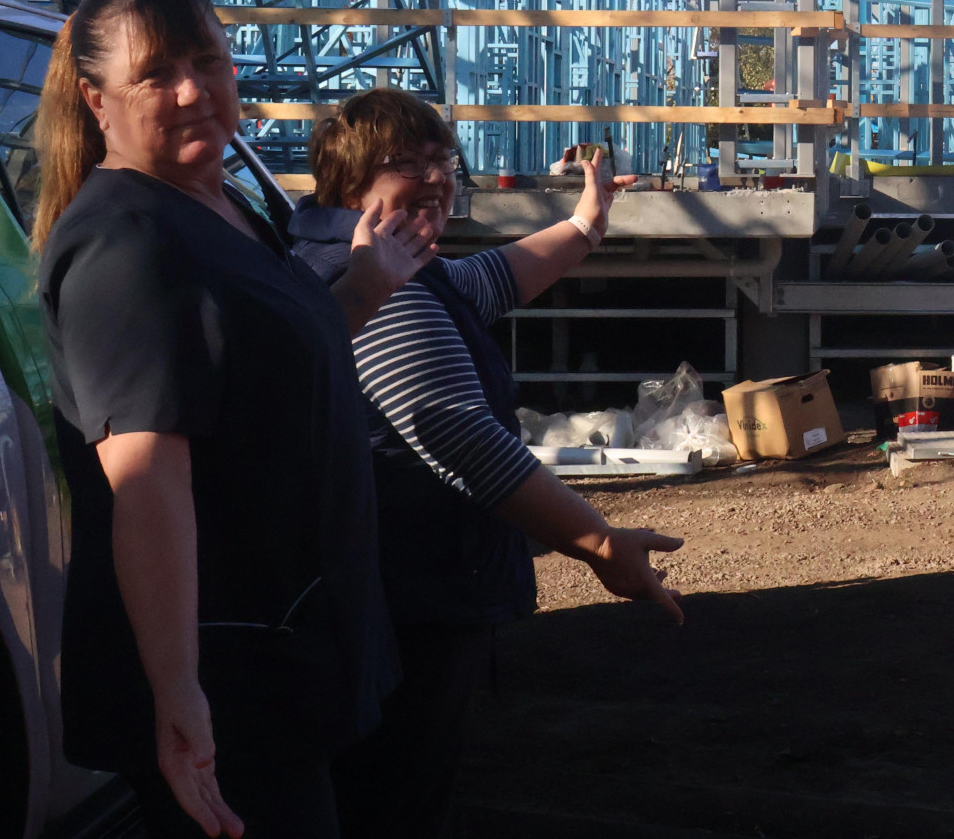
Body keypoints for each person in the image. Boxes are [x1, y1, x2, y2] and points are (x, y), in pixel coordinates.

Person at [35, 0, 436, 838]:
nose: (192, 91)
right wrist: (178, 689)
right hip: (228, 691)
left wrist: (362, 290)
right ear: (94, 97)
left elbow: (258, 373)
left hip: (284, 664)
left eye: (207, 61)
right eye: (157, 74)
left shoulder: (223, 205)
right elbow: (147, 486)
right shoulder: (126, 243)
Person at [284, 89, 685, 838]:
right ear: (348, 182)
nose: (436, 176)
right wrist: (600, 542)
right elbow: (463, 438)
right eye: (406, 162)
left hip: (392, 591)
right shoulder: (378, 284)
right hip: (413, 595)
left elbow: (486, 282)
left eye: (442, 158)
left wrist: (583, 226)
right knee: (396, 800)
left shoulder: (377, 260)